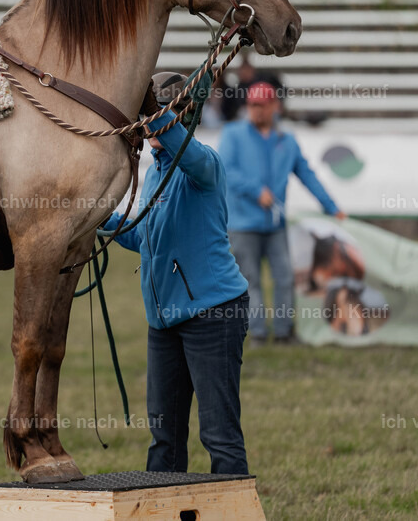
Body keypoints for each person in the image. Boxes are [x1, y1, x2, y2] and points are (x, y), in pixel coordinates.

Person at [104, 72, 250, 475]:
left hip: (213, 314)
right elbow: (147, 237)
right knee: (164, 438)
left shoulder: (203, 164)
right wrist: (101, 220)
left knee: (219, 435)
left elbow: (185, 151)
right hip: (164, 320)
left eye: (153, 114)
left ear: (181, 116)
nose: (145, 123)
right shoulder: (154, 173)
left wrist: (156, 113)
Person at [218, 81, 346, 346]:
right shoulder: (233, 135)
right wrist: (256, 191)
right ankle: (258, 334)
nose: (256, 110)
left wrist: (331, 207)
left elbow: (306, 175)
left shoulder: (286, 141)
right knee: (250, 280)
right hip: (243, 224)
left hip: (275, 224)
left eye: (262, 105)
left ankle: (285, 332)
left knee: (285, 277)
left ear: (275, 107)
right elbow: (226, 170)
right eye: (252, 105)